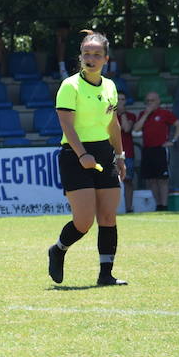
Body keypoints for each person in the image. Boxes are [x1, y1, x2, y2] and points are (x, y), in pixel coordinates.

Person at [47, 30, 128, 286]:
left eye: (96, 54)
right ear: (80, 57)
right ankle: (58, 249)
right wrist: (82, 154)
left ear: (106, 59)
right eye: (86, 54)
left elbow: (113, 124)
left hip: (104, 152)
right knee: (84, 222)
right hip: (75, 154)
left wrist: (120, 155)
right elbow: (66, 126)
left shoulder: (110, 86)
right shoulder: (69, 86)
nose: (90, 58)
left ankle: (106, 275)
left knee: (108, 217)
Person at [132, 90, 179, 210]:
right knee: (151, 179)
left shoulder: (165, 113)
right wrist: (146, 114)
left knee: (162, 179)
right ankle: (158, 204)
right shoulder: (143, 114)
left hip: (161, 149)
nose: (150, 103)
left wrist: (173, 141)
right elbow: (136, 129)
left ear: (158, 101)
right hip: (148, 149)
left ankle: (164, 205)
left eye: (152, 100)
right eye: (148, 101)